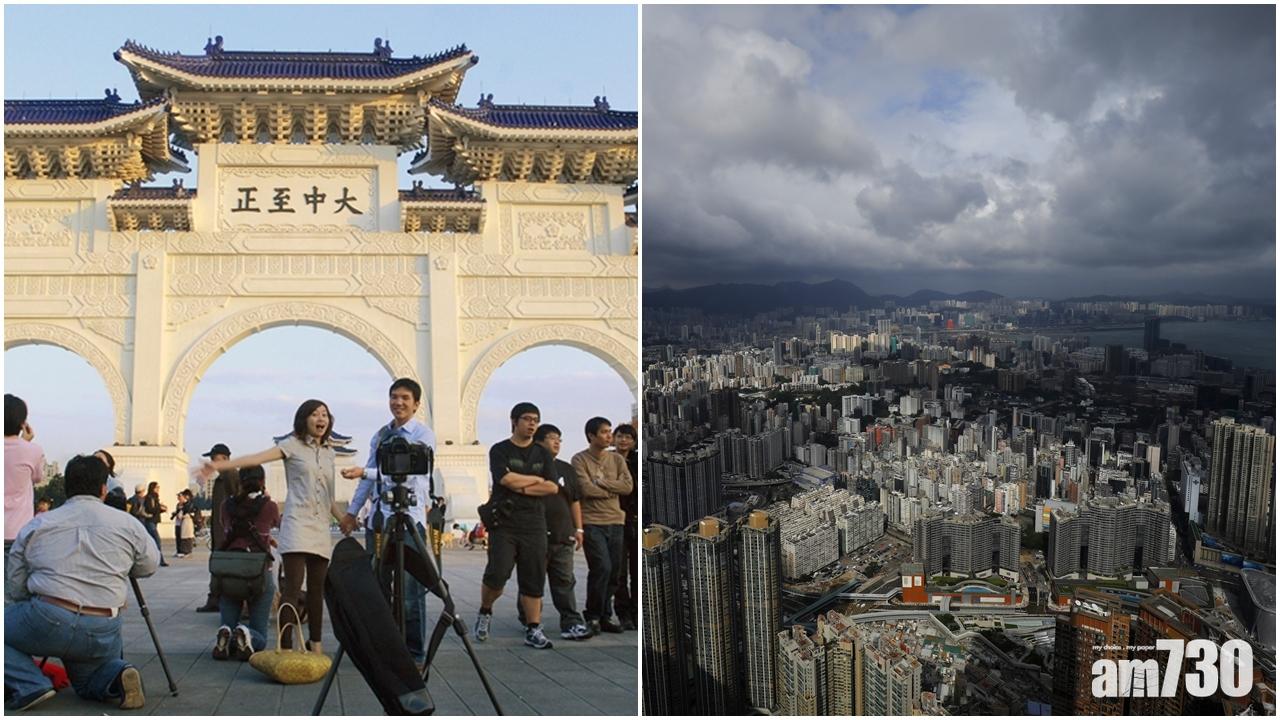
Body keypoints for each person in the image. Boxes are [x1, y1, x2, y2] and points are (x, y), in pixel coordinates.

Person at [4, 454, 158, 711]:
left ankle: (30, 683)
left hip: (47, 618)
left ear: (66, 488)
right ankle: (119, 674)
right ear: (103, 489)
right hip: (103, 626)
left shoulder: (39, 524)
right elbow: (149, 566)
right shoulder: (128, 524)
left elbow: (16, 584)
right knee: (87, 685)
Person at [203, 399, 351, 653]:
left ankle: (316, 645)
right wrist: (221, 465)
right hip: (296, 524)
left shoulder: (329, 452)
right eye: (315, 414)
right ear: (303, 419)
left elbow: (329, 494)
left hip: (319, 528)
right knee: (292, 588)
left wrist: (344, 518)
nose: (321, 419)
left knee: (317, 589)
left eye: (324, 414)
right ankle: (285, 647)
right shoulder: (291, 446)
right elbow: (256, 457)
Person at [337, 378, 435, 668]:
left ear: (416, 404)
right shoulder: (380, 436)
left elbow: (407, 473)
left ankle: (414, 653)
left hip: (409, 520)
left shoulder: (423, 434)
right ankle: (382, 648)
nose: (398, 403)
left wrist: (365, 473)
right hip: (380, 520)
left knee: (410, 590)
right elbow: (371, 477)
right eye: (394, 397)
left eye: (405, 398)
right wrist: (352, 513)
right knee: (377, 587)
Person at [474, 402, 559, 650]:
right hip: (505, 523)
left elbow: (552, 487)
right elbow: (504, 478)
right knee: (497, 573)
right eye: (527, 419)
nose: (532, 424)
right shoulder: (500, 450)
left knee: (533, 577)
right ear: (514, 421)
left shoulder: (542, 453)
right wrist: (535, 481)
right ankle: (485, 610)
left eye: (536, 419)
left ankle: (533, 628)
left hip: (534, 523)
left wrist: (519, 483)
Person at [211, 465, 280, 661]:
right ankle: (246, 635)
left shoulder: (226, 505)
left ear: (240, 482)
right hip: (258, 572)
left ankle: (226, 633)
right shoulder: (269, 505)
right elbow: (274, 522)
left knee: (229, 620)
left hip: (229, 571)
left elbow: (226, 527)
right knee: (260, 634)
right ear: (262, 481)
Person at [572, 417, 633, 635]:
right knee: (601, 568)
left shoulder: (616, 460)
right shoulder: (579, 460)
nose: (610, 436)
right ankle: (593, 615)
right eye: (604, 432)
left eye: (610, 431)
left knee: (615, 573)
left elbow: (627, 486)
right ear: (591, 436)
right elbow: (585, 489)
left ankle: (605, 615)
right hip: (592, 523)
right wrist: (610, 490)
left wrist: (602, 483)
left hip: (616, 521)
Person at [532, 424, 592, 640]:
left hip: (563, 534)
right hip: (534, 535)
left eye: (559, 438)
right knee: (532, 581)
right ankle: (530, 621)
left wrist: (579, 528)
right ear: (538, 441)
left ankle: (571, 622)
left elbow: (574, 500)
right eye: (551, 438)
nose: (556, 442)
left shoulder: (566, 469)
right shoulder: (529, 467)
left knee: (565, 580)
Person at [197, 443, 239, 612]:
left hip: (225, 533)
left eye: (215, 459)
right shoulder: (222, 478)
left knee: (221, 567)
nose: (212, 462)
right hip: (219, 532)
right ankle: (215, 598)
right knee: (217, 566)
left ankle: (218, 600)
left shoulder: (230, 476)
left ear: (226, 459)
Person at [4, 394, 45, 552]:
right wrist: (26, 442)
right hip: (18, 532)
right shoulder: (33, 451)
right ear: (23, 423)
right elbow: (37, 477)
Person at [611, 423, 639, 630]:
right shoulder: (607, 460)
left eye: (628, 437)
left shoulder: (638, 461)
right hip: (616, 517)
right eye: (620, 436)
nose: (623, 440)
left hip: (635, 518)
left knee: (637, 568)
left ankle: (637, 612)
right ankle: (623, 612)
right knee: (619, 569)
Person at [129, 482, 168, 567]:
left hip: (140, 522)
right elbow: (150, 509)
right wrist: (160, 508)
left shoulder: (132, 499)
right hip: (147, 521)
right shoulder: (148, 498)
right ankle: (159, 560)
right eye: (157, 487)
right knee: (156, 541)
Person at [171, 490, 197, 557]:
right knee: (179, 537)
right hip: (179, 523)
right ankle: (180, 551)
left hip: (186, 522)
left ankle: (187, 552)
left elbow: (190, 512)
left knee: (187, 538)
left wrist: (182, 514)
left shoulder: (188, 504)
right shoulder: (178, 505)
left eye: (180, 496)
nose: (179, 498)